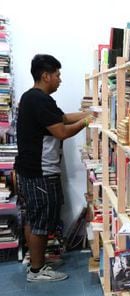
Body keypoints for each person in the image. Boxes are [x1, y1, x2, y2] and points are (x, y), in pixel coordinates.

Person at [15, 54, 94, 282]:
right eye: (57, 75)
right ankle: (38, 271)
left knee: (34, 218)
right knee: (40, 220)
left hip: (32, 171)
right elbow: (62, 131)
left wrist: (91, 112)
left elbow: (62, 118)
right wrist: (88, 122)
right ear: (45, 75)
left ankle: (36, 263)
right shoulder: (38, 100)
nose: (60, 79)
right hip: (40, 173)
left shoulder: (35, 98)